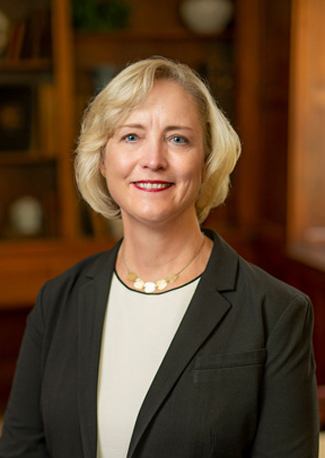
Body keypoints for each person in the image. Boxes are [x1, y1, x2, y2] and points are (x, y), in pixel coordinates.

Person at [0, 56, 319, 458]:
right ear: (102, 159)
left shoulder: (275, 311)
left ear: (206, 161)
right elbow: (21, 448)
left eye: (178, 139)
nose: (153, 159)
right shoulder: (57, 300)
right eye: (131, 136)